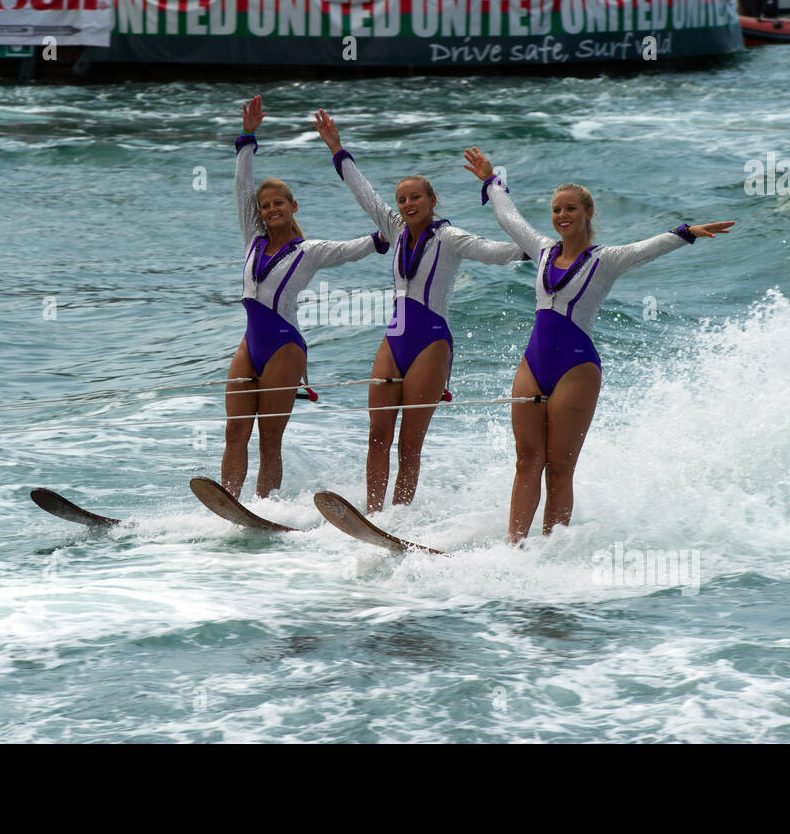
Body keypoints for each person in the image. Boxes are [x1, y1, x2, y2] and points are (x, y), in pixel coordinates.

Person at [462, 147, 733, 542]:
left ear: (587, 214)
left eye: (570, 208)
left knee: (559, 468)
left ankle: (551, 550)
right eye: (556, 209)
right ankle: (513, 547)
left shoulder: (606, 260)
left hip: (577, 369)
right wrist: (491, 181)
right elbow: (509, 218)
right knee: (526, 461)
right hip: (532, 365)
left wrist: (687, 232)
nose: (561, 216)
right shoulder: (540, 250)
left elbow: (647, 248)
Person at [314, 110, 524, 514]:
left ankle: (400, 517)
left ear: (432, 200)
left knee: (409, 441)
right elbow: (365, 195)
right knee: (378, 434)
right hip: (395, 339)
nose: (408, 204)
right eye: (403, 199)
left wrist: (536, 249)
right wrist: (337, 149)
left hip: (430, 343)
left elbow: (494, 253)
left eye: (416, 197)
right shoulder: (393, 229)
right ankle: (373, 514)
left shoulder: (450, 237)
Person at [225, 96, 388, 499]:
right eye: (265, 207)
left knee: (268, 439)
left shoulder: (309, 251)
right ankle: (226, 502)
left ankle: (266, 508)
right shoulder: (253, 240)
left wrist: (387, 235)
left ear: (293, 206)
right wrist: (248, 138)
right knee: (234, 431)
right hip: (251, 344)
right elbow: (241, 187)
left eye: (278, 203)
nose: (270, 210)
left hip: (284, 348)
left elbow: (357, 247)